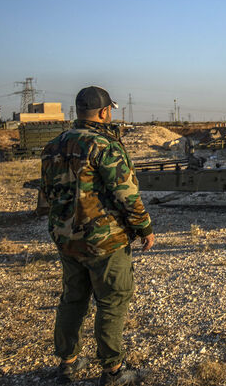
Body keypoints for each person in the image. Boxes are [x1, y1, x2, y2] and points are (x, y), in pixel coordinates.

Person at [40, 86, 154, 385]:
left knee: (72, 298)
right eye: (110, 110)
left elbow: (47, 194)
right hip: (104, 240)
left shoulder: (53, 145)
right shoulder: (105, 146)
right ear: (104, 112)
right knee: (112, 301)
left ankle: (68, 363)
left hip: (66, 239)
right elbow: (126, 195)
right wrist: (144, 227)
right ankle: (113, 371)